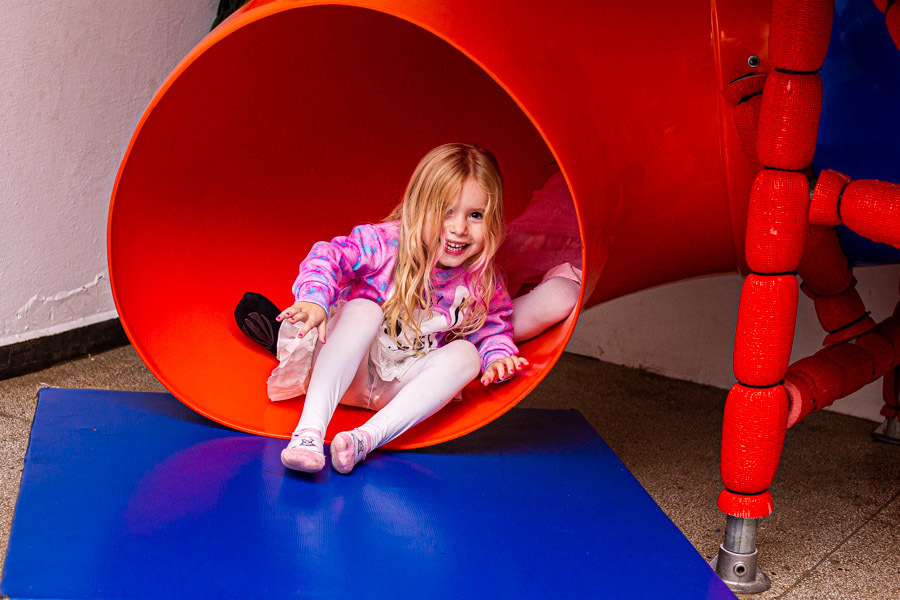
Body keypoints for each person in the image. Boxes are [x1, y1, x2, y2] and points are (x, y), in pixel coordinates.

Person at [247, 143, 529, 475]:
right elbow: (329, 256)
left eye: (475, 215)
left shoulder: (484, 279)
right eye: (446, 211)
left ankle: (364, 440)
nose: (459, 228)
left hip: (399, 388)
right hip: (349, 375)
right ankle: (308, 433)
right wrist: (314, 298)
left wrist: (497, 356)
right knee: (364, 309)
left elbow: (492, 325)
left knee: (466, 353)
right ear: (418, 207)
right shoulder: (384, 243)